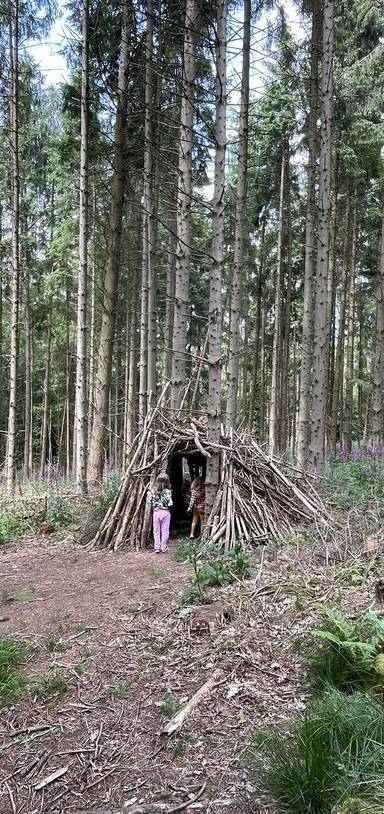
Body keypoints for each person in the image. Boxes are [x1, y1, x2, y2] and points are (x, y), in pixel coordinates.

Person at [148, 473, 173, 553]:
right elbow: (170, 503)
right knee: (165, 530)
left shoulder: (153, 491)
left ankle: (157, 547)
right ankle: (163, 547)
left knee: (156, 530)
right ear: (167, 482)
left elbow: (150, 501)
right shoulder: (168, 492)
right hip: (165, 512)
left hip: (156, 512)